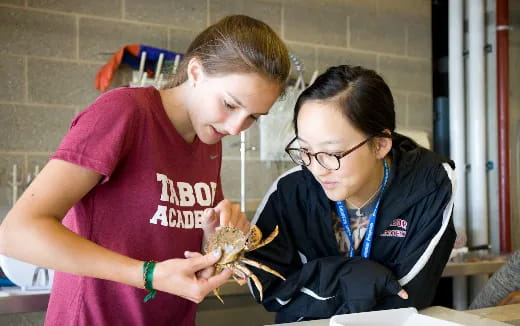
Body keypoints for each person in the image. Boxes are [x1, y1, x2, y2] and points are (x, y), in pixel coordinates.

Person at [0, 15, 289, 326]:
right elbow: (16, 233)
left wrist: (214, 243)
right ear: (195, 72)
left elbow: (171, 243)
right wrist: (148, 275)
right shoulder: (125, 112)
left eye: (253, 117)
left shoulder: (208, 137)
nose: (236, 127)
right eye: (230, 105)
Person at [244, 65, 457, 323]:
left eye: (332, 154)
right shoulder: (291, 190)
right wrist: (348, 275)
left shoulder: (429, 183)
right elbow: (265, 282)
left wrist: (312, 287)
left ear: (379, 144)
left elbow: (407, 297)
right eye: (305, 150)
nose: (316, 169)